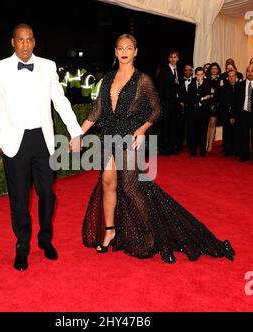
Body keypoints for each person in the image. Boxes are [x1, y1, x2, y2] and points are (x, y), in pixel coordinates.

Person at [77, 34, 235, 263]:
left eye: (129, 48)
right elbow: (97, 110)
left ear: (136, 52)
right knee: (107, 182)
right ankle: (110, 231)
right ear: (115, 51)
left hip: (129, 138)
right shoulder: (109, 79)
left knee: (132, 188)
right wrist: (78, 134)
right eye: (120, 47)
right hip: (109, 137)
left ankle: (152, 234)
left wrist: (142, 130)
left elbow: (156, 110)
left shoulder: (143, 80)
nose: (124, 51)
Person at [0, 23, 83, 271]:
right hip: (14, 143)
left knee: (47, 195)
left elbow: (60, 101)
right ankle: (22, 246)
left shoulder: (47, 66)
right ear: (13, 42)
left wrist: (76, 131)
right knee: (19, 199)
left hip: (43, 140)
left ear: (34, 42)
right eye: (21, 40)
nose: (25, 44)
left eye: (29, 40)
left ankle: (45, 239)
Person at [156, 50, 184, 155]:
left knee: (174, 127)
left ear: (178, 59)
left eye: (175, 57)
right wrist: (162, 103)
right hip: (166, 104)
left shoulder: (179, 71)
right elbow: (159, 88)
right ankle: (163, 149)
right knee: (165, 127)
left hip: (176, 104)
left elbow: (181, 88)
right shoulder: (164, 71)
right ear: (168, 58)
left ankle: (172, 148)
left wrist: (181, 100)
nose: (173, 59)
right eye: (171, 57)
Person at [186, 67, 212, 157]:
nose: (199, 76)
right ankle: (193, 152)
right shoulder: (191, 85)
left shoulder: (208, 84)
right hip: (193, 111)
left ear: (204, 75)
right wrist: (202, 98)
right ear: (195, 75)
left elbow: (209, 96)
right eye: (198, 74)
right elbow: (190, 99)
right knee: (193, 132)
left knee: (203, 132)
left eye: (201, 74)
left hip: (204, 111)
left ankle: (202, 152)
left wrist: (201, 88)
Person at [235, 64, 253, 163]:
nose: (250, 73)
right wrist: (234, 115)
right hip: (244, 114)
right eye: (248, 71)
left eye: (252, 71)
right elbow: (236, 101)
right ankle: (245, 155)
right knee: (243, 136)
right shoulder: (240, 84)